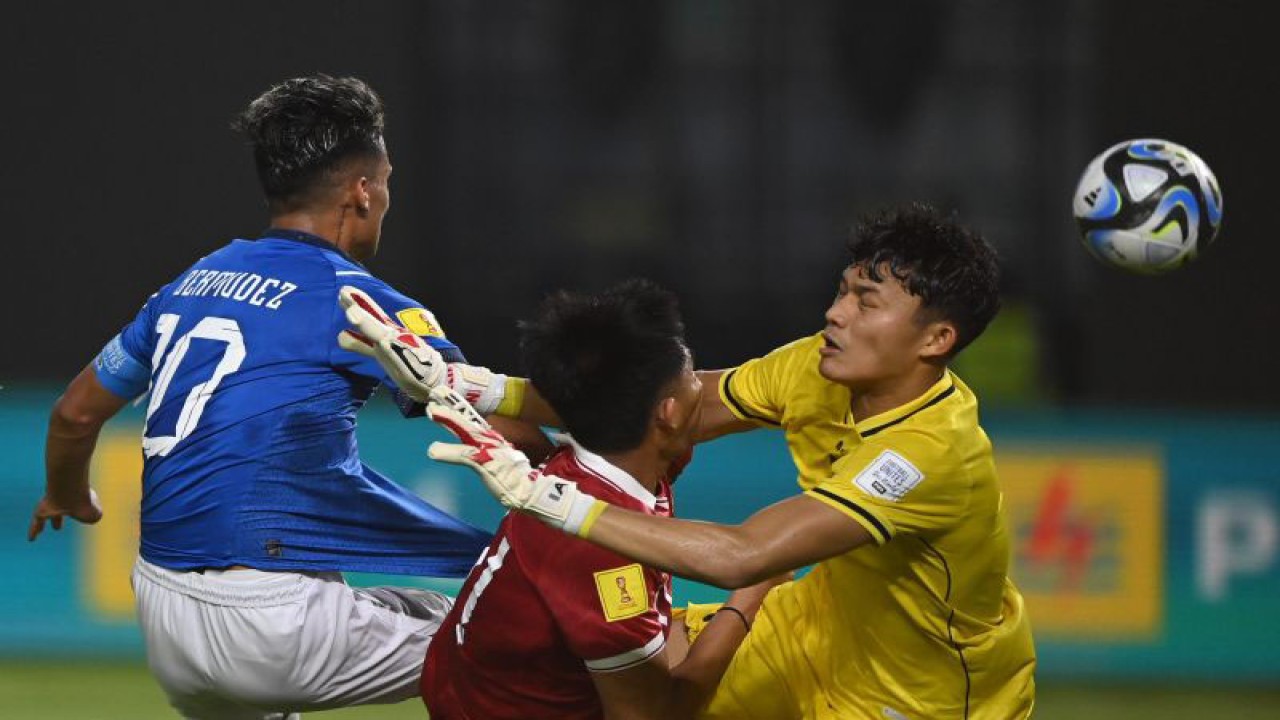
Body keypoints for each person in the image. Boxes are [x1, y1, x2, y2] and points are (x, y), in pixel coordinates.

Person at [361, 204, 1036, 719]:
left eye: (867, 302)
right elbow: (660, 403)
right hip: (816, 623)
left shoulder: (932, 454)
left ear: (938, 339)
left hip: (922, 690)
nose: (834, 314)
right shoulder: (817, 365)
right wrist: (476, 387)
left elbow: (744, 556)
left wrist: (553, 502)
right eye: (842, 289)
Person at [28, 75, 504, 720]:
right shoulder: (362, 303)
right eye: (387, 180)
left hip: (165, 614)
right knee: (514, 641)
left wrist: (64, 492)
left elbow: (74, 414)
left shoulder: (194, 281)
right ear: (363, 192)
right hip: (273, 621)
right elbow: (495, 421)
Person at [344, 279, 785, 719]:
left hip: (488, 685)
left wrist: (451, 382)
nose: (704, 387)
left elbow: (586, 411)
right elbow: (653, 714)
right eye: (693, 377)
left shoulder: (611, 454)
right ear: (667, 414)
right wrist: (749, 596)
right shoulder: (604, 553)